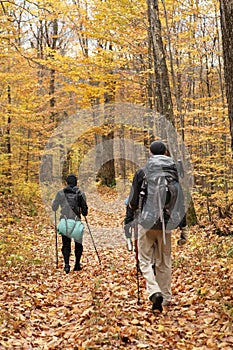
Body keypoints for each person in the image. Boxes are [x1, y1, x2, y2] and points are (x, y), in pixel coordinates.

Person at [128, 141, 188, 312]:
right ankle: (166, 297)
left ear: (150, 154)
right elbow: (180, 202)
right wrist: (183, 229)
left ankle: (154, 291)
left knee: (144, 260)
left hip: (145, 223)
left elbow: (133, 202)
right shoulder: (174, 173)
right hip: (167, 223)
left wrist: (132, 216)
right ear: (166, 153)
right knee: (164, 261)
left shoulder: (142, 172)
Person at [52, 174, 88, 273]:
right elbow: (85, 211)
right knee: (78, 244)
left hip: (65, 221)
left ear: (67, 182)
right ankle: (77, 264)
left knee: (66, 244)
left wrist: (55, 203)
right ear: (76, 182)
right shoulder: (80, 193)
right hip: (76, 222)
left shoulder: (60, 193)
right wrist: (82, 211)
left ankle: (67, 265)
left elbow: (54, 208)